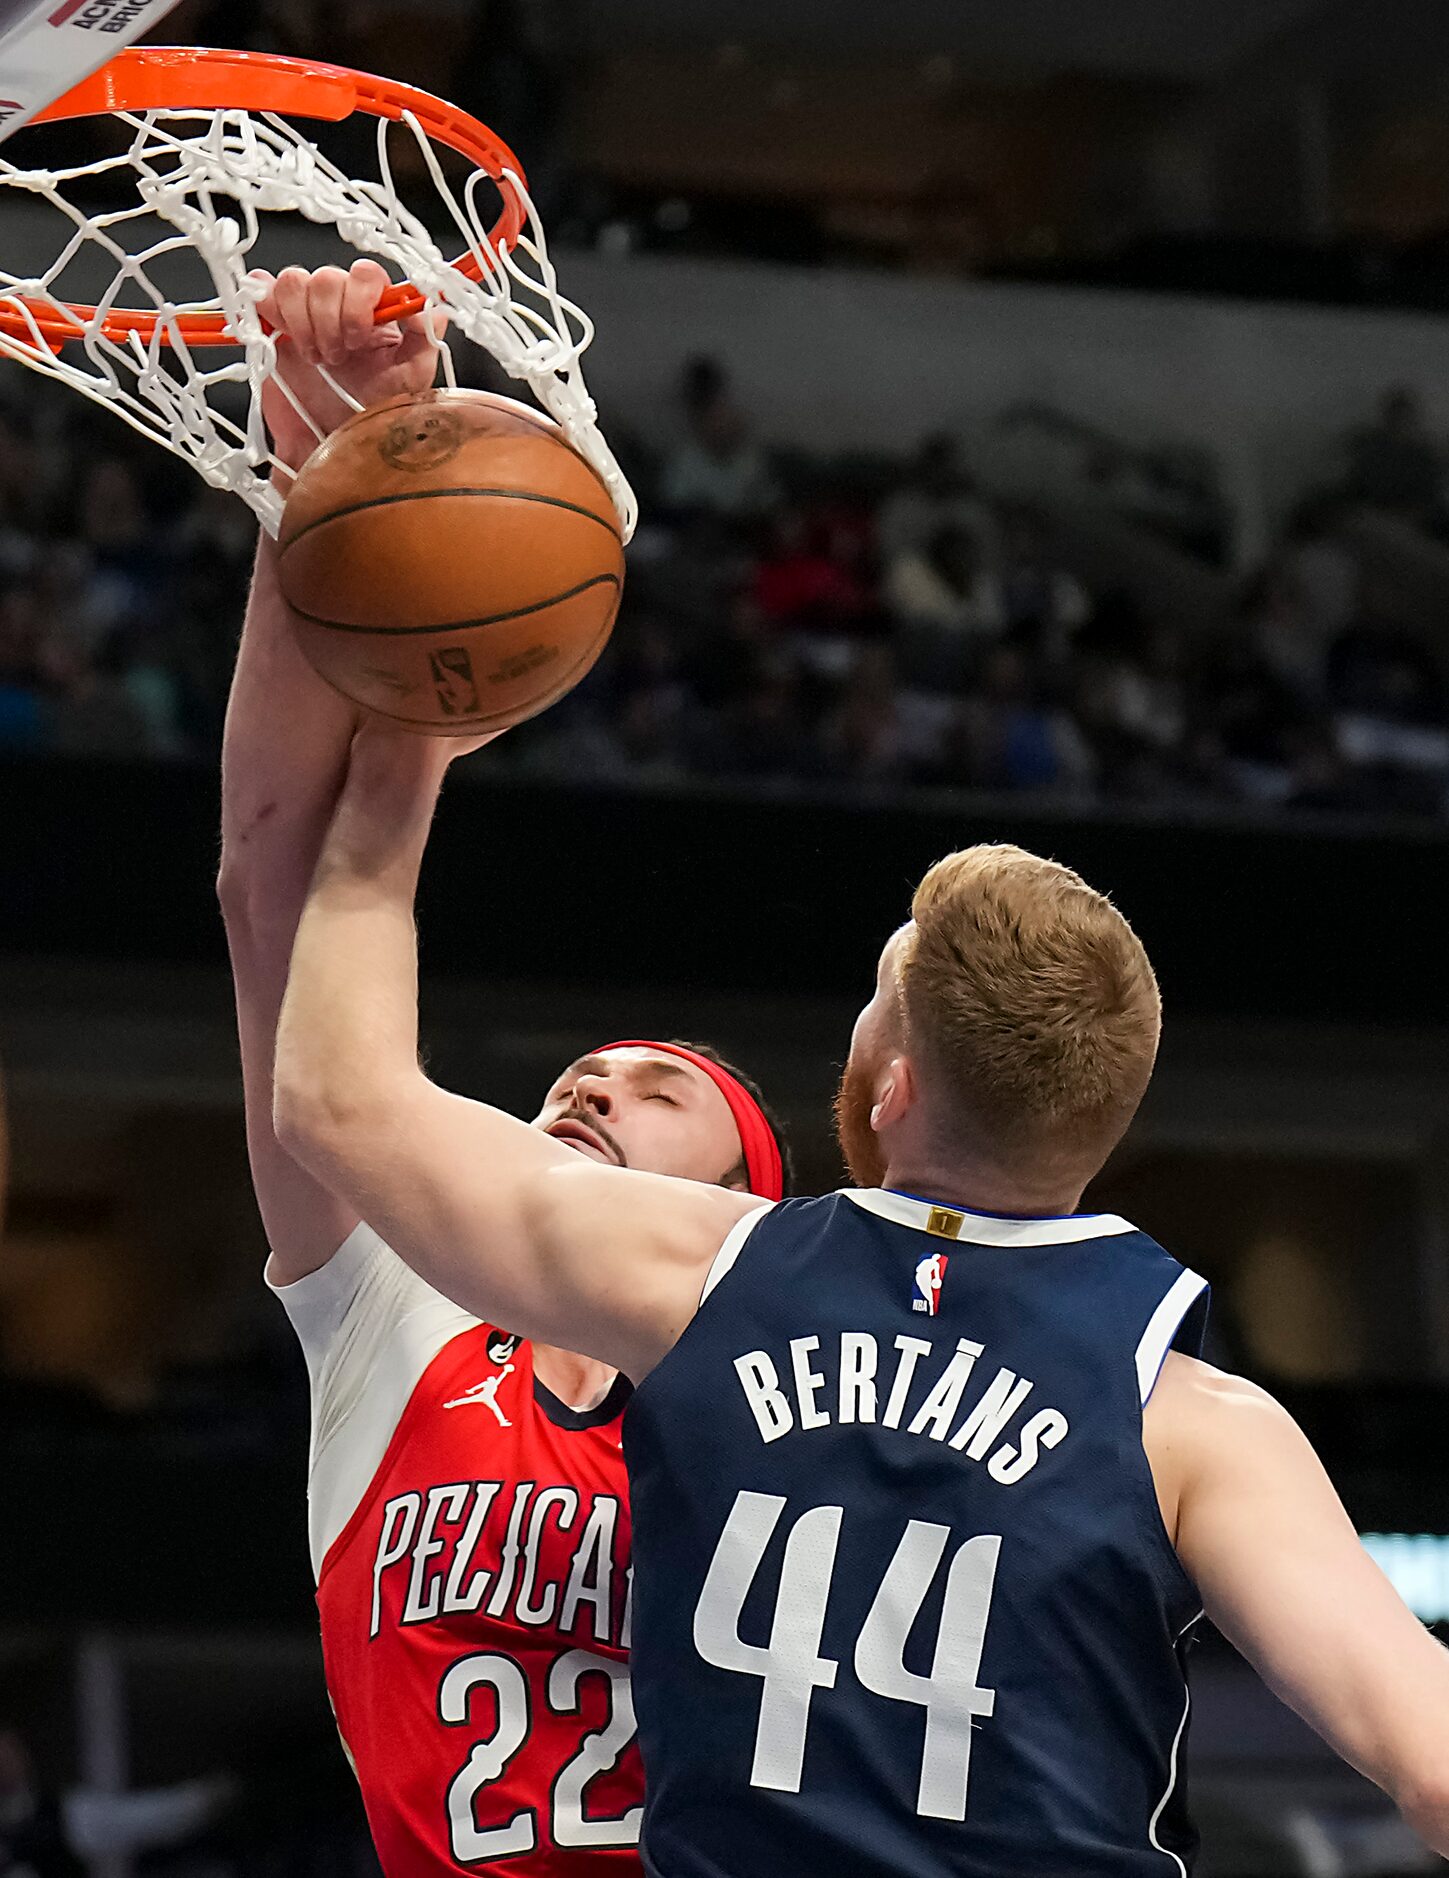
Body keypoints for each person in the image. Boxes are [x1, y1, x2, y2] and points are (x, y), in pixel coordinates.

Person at [269, 501, 1449, 1875]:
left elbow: (335, 1097)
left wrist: (410, 739)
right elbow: (1426, 1756)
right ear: (1095, 1123)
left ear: (885, 1091)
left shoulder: (706, 1271)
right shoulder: (1189, 1416)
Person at [216, 261, 787, 1877]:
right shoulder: (394, 1311)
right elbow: (271, 884)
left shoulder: (797, 1373)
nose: (588, 1091)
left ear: (750, 1206)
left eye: (655, 1089)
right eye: (573, 1081)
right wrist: (331, 482)